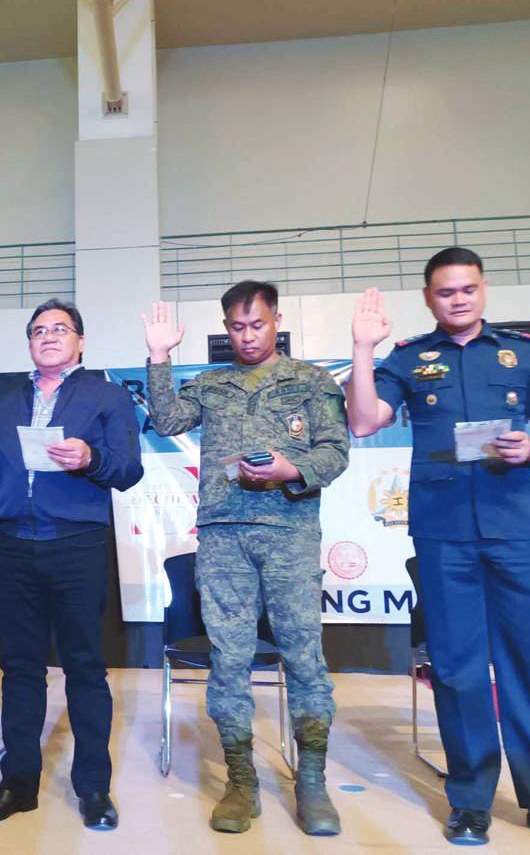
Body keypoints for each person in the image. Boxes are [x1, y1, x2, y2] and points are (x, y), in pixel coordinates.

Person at [345, 247, 530, 851]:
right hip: (443, 530)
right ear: (428, 298)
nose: (457, 300)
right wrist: (362, 349)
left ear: (482, 290)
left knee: (527, 664)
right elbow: (362, 420)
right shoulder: (409, 358)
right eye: (444, 292)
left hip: (512, 525)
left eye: (467, 290)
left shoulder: (523, 354)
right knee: (457, 668)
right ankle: (471, 802)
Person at [141, 282, 350, 836]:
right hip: (224, 535)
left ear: (276, 320)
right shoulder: (212, 384)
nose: (247, 336)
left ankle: (312, 782)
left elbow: (336, 451)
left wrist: (289, 470)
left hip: (290, 530)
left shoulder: (311, 380)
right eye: (236, 327)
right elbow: (165, 422)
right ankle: (241, 781)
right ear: (225, 326)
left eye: (257, 325)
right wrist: (159, 357)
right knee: (228, 661)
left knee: (304, 656)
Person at [0, 298, 143, 830]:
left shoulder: (107, 396)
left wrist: (91, 459)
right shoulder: (8, 402)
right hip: (14, 545)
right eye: (38, 331)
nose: (48, 336)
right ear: (29, 344)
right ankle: (18, 784)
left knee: (84, 667)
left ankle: (94, 789)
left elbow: (128, 470)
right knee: (20, 669)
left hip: (78, 543)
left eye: (60, 329)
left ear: (81, 341)